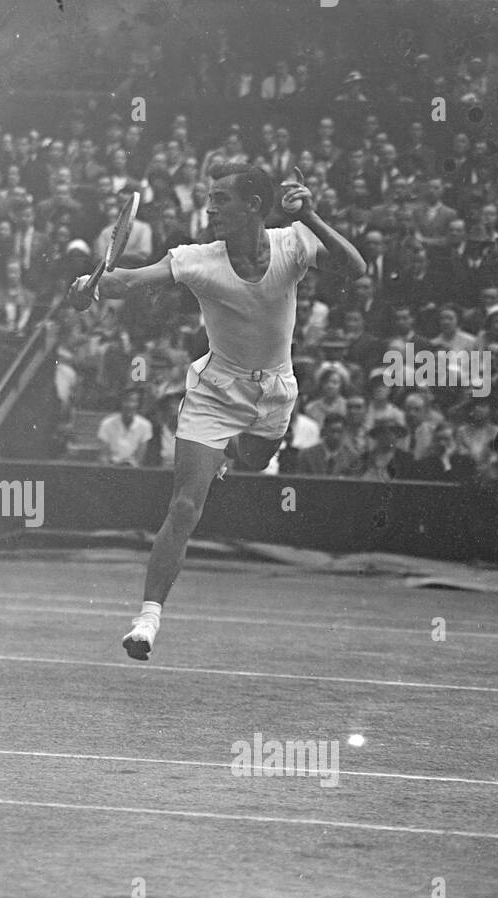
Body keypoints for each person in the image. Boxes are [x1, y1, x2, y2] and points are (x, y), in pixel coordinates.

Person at [69, 163, 365, 659]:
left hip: (275, 392)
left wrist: (311, 215)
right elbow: (133, 279)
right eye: (207, 199)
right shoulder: (196, 259)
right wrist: (91, 285)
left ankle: (224, 458)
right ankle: (147, 620)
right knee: (185, 506)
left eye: (221, 199)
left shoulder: (293, 242)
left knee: (254, 459)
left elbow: (355, 269)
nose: (209, 209)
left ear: (253, 205)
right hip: (214, 392)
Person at [96, 387, 153, 466]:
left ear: (138, 404)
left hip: (134, 471)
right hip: (111, 469)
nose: (129, 405)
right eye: (126, 400)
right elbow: (103, 454)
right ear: (120, 402)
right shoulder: (107, 423)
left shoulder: (145, 425)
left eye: (133, 401)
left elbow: (140, 456)